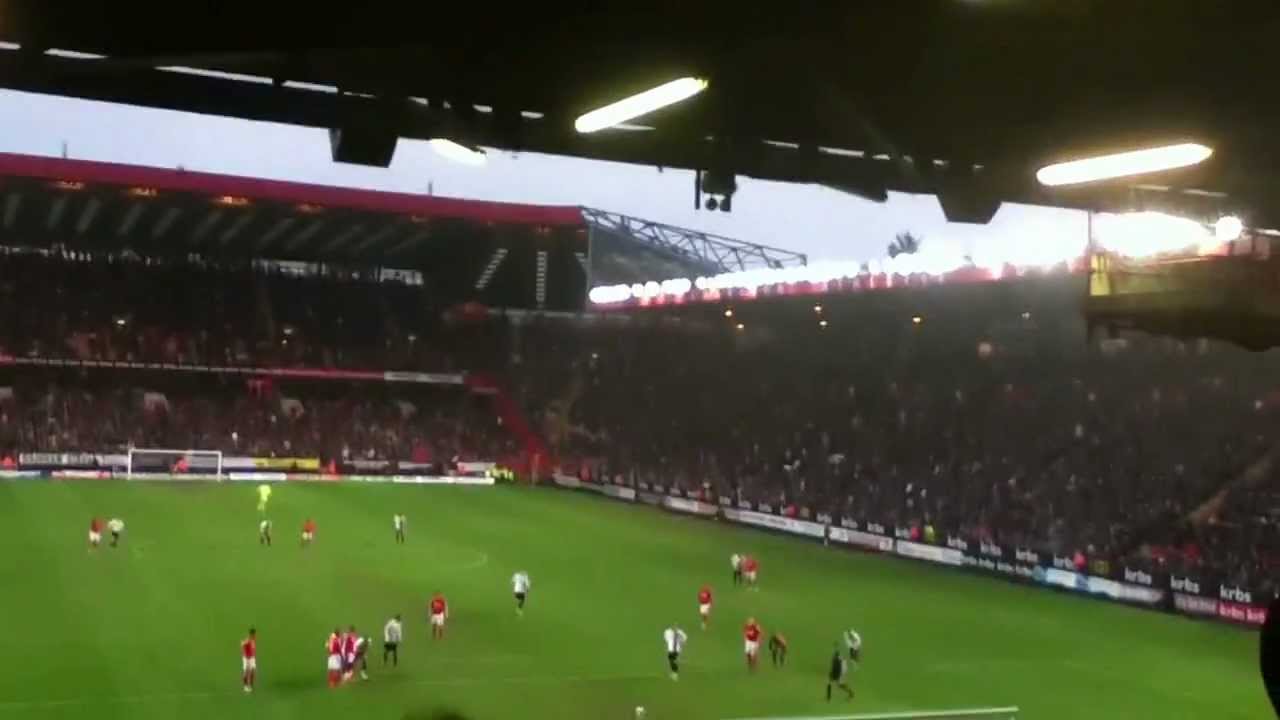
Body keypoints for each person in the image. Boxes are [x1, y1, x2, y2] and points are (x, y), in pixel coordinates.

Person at [241, 628, 257, 693]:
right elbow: (242, 644)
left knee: (253, 671)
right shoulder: (248, 640)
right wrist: (247, 659)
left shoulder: (253, 640)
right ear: (251, 634)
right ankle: (245, 686)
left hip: (252, 658)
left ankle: (250, 686)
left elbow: (252, 648)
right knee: (246, 672)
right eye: (254, 634)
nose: (255, 635)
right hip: (246, 658)